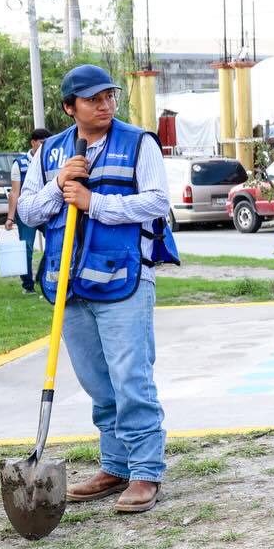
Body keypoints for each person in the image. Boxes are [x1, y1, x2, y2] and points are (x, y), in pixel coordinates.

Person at [16, 65, 177, 512]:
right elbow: (28, 212)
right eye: (93, 99)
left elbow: (157, 201)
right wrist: (59, 183)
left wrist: (94, 202)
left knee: (131, 379)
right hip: (68, 282)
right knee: (96, 382)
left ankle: (145, 472)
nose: (105, 105)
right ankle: (115, 465)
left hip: (125, 279)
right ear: (70, 108)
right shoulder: (49, 152)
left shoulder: (138, 142)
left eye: (109, 96)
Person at [6, 126, 52, 294]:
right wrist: (10, 217)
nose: (45, 146)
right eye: (42, 142)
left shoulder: (50, 160)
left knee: (56, 243)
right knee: (26, 248)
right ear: (33, 143)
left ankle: (41, 275)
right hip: (26, 212)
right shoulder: (19, 164)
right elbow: (15, 192)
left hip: (46, 210)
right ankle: (28, 285)